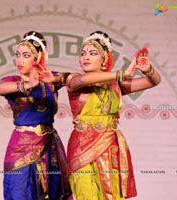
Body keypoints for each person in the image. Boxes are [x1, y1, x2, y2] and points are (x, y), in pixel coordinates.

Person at [65, 31, 161, 200]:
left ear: (104, 60)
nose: (85, 57)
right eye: (83, 53)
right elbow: (84, 81)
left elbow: (154, 81)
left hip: (109, 145)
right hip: (81, 147)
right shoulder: (74, 80)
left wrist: (148, 70)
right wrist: (121, 74)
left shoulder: (115, 85)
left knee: (111, 194)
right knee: (85, 192)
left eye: (92, 53)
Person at [0, 31, 70, 200]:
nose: (19, 60)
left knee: (51, 191)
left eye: (26, 55)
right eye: (18, 55)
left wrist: (53, 79)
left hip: (48, 144)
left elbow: (72, 79)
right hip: (21, 144)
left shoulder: (50, 81)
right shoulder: (13, 81)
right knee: (18, 190)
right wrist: (27, 85)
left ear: (38, 58)